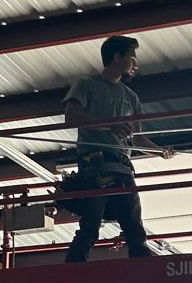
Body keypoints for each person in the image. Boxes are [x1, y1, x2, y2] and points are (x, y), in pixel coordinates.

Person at [61, 35, 170, 262]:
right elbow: (71, 117)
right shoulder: (87, 85)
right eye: (132, 58)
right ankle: (74, 268)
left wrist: (160, 151)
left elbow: (137, 139)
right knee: (91, 223)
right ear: (117, 56)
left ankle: (142, 269)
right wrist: (109, 125)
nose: (135, 64)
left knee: (134, 227)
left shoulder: (131, 97)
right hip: (95, 164)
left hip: (121, 167)